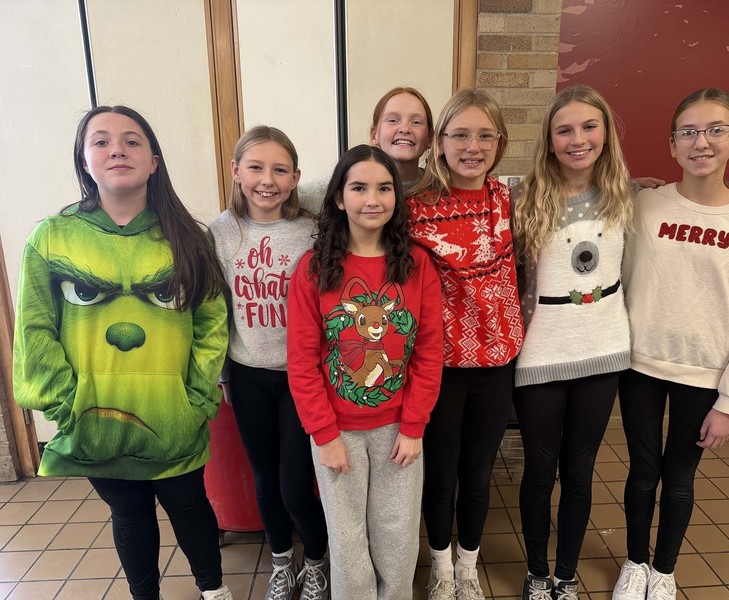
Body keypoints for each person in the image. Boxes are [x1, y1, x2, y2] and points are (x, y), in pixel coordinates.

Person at [12, 105, 232, 600]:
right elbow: (35, 328)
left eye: (132, 141)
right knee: (128, 514)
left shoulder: (189, 238)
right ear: (84, 160)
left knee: (190, 508)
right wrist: (64, 402)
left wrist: (195, 398)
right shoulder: (52, 239)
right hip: (94, 418)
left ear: (154, 160)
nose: (117, 149)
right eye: (102, 141)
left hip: (175, 417)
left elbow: (212, 323)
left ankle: (215, 592)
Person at [612, 88, 729, 600]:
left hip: (702, 375)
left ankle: (663, 570)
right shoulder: (645, 203)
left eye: (715, 130)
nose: (700, 142)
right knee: (642, 474)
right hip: (639, 364)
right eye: (688, 131)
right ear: (672, 143)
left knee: (678, 479)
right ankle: (635, 563)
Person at [287, 144, 443, 600]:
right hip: (337, 433)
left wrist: (414, 426)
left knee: (397, 533)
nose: (372, 199)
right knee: (348, 537)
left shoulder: (416, 266)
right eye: (359, 187)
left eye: (384, 188)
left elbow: (429, 352)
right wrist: (324, 433)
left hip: (399, 430)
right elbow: (302, 360)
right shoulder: (313, 270)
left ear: (397, 197)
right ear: (339, 197)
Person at [511, 85, 635, 600]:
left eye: (589, 127)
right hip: (540, 354)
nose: (578, 139)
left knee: (580, 473)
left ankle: (565, 575)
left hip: (601, 352)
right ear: (549, 139)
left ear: (605, 134)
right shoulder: (523, 196)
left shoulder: (629, 194)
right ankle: (537, 573)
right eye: (565, 129)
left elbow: (693, 192)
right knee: (540, 472)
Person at [406, 89, 524, 600]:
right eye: (459, 134)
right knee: (442, 474)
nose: (472, 146)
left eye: (484, 135)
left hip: (497, 362)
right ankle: (440, 566)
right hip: (440, 366)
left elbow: (592, 189)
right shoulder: (412, 208)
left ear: (499, 143)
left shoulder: (511, 196)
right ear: (439, 141)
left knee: (478, 473)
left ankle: (469, 564)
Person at [209, 126, 329, 600]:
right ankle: (282, 560)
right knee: (264, 480)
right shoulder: (220, 231)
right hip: (247, 373)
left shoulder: (312, 229)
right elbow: (215, 307)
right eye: (256, 167)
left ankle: (317, 560)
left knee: (296, 485)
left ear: (296, 177)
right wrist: (221, 372)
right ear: (237, 171)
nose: (267, 180)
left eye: (280, 170)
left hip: (301, 376)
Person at [370, 86, 434, 190]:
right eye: (393, 120)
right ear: (374, 135)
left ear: (430, 138)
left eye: (416, 122)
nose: (404, 129)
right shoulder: (355, 189)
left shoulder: (443, 193)